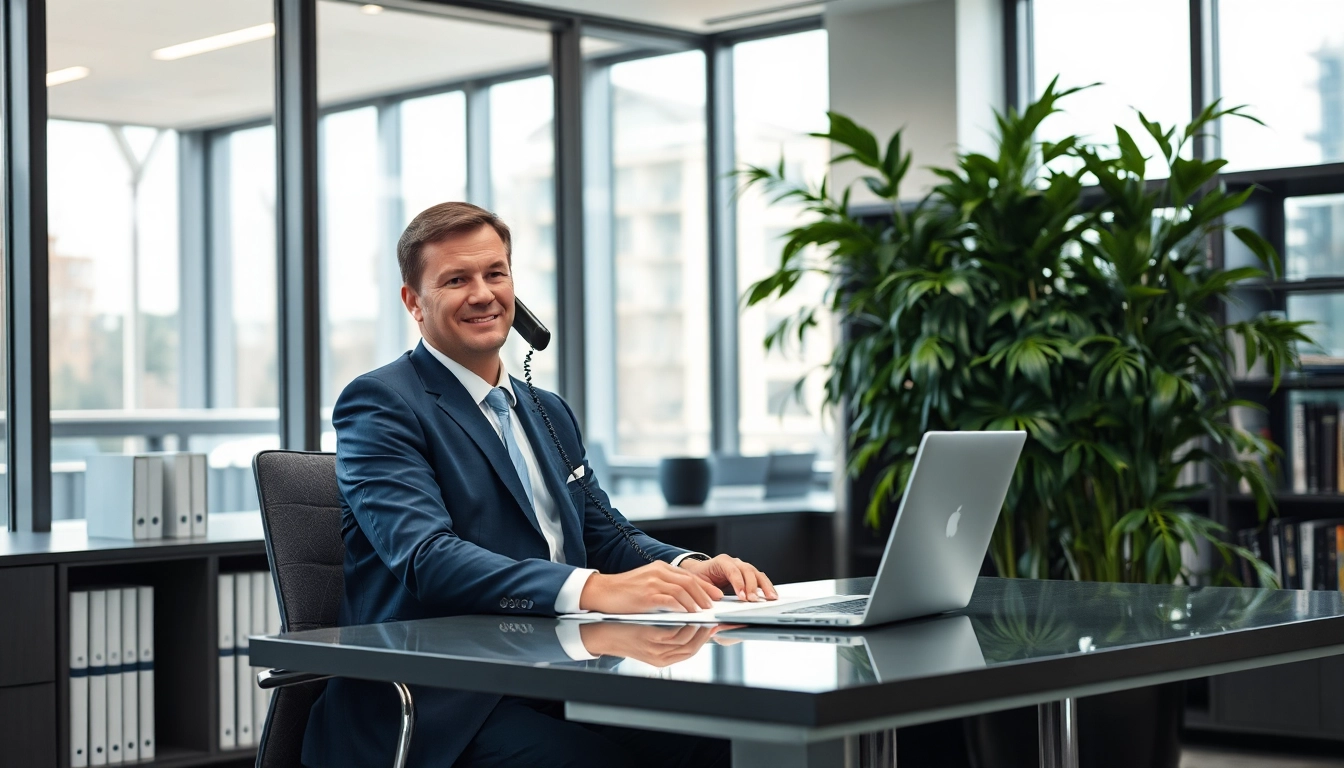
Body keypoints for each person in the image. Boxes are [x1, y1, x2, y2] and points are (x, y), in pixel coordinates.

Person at [301, 202, 779, 768]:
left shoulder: (546, 410)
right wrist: (594, 589)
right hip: (445, 700)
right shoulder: (382, 403)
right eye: (456, 279)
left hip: (562, 672)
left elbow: (605, 533)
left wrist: (688, 568)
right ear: (414, 302)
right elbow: (427, 557)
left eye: (495, 273)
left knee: (719, 738)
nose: (483, 294)